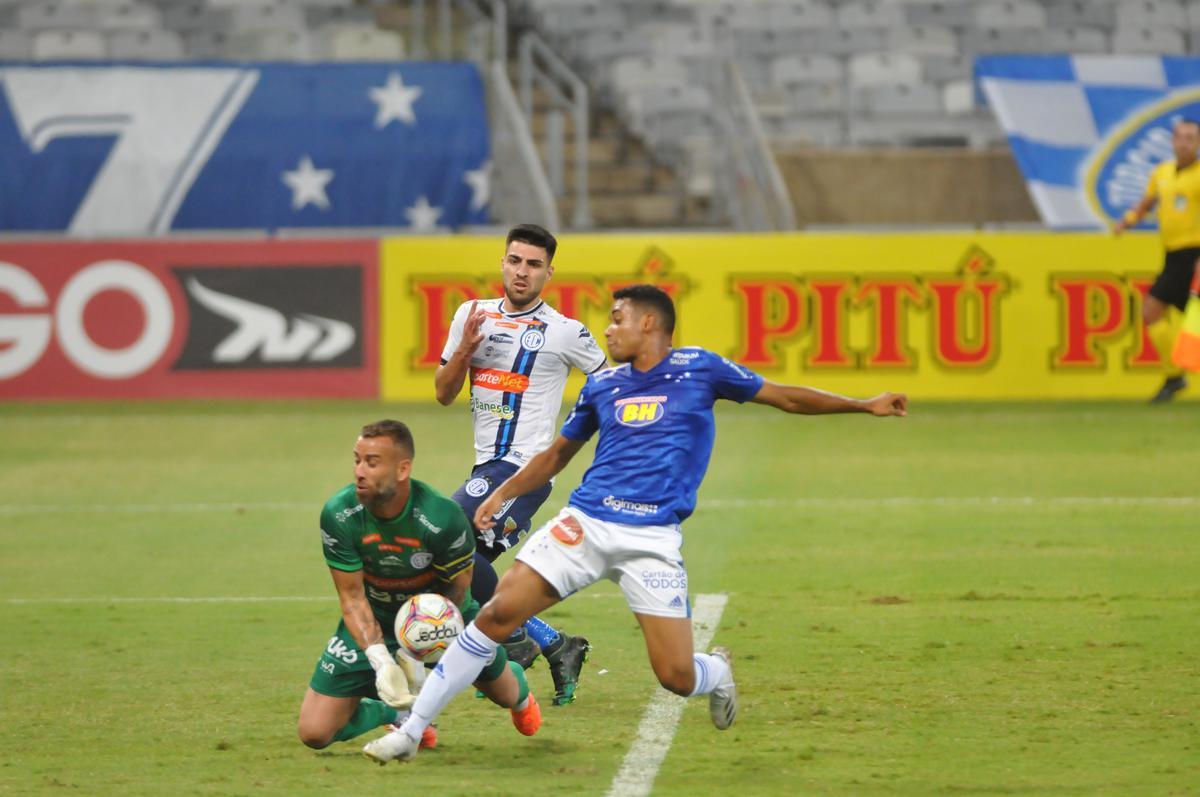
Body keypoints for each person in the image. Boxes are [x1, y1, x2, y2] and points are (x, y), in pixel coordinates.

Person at [363, 284, 908, 763]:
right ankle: (411, 730)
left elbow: (784, 397)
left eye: (618, 317)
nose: (609, 328)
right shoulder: (603, 388)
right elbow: (556, 455)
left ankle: (716, 672)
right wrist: (502, 493)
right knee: (498, 613)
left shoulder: (701, 368)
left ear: (650, 323)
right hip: (587, 522)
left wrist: (864, 404)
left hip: (651, 539)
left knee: (676, 677)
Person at [295, 419, 541, 761]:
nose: (360, 472)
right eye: (357, 460)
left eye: (372, 462)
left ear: (402, 469)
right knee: (314, 732)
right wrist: (381, 660)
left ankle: (516, 688)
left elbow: (458, 589)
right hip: (375, 616)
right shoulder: (340, 514)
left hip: (444, 615)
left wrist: (417, 650)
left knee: (505, 694)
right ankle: (394, 713)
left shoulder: (442, 518)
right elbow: (352, 597)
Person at [434, 223, 607, 706]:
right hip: (484, 469)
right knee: (457, 574)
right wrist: (466, 351)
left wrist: (582, 433)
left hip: (524, 471)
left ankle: (516, 644)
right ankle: (554, 644)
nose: (522, 272)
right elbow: (444, 393)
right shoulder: (471, 315)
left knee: (443, 534)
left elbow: (609, 384)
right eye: (515, 261)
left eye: (533, 264)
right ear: (502, 263)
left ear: (549, 273)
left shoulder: (565, 331)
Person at [1114, 117, 1200, 402]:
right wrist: (1127, 221)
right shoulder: (1161, 173)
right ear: (1173, 141)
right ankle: (1174, 375)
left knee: (1163, 313)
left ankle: (1175, 376)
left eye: (1191, 137)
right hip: (1174, 256)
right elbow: (1146, 204)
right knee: (1151, 311)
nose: (1184, 142)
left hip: (1196, 255)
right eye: (1180, 137)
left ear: (1198, 143)